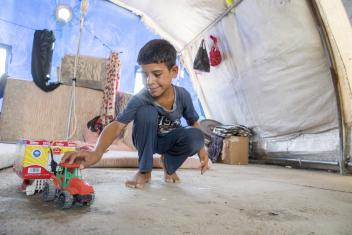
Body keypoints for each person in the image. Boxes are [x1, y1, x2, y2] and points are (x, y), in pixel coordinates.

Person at [62, 39, 209, 189]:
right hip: (146, 140)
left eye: (157, 74)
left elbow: (193, 121)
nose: (150, 81)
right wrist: (96, 153)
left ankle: (169, 164)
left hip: (169, 141)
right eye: (145, 75)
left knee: (197, 135)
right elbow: (117, 125)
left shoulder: (183, 95)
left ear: (174, 72)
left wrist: (202, 151)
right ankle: (144, 171)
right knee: (146, 112)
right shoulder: (141, 97)